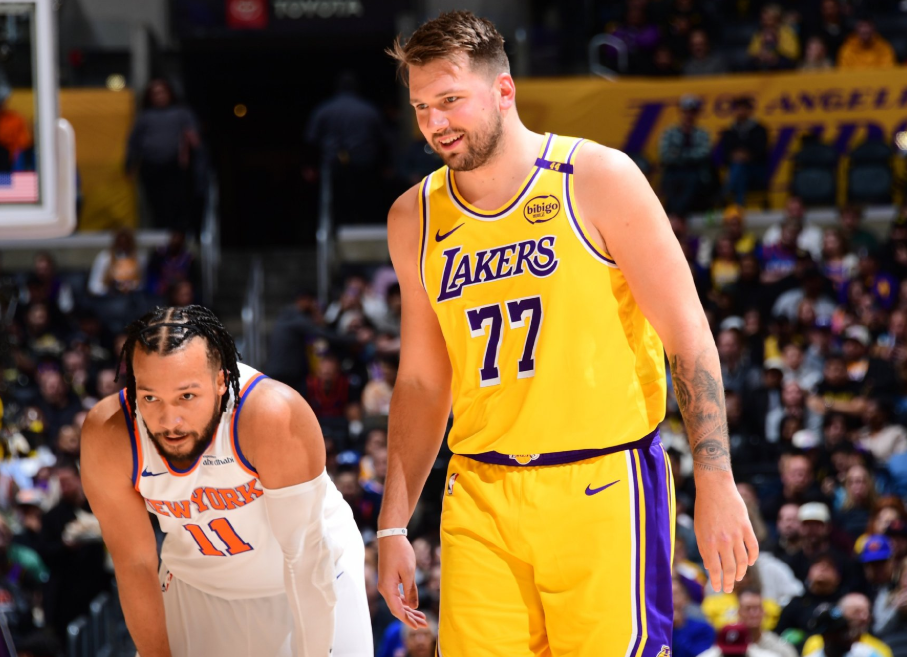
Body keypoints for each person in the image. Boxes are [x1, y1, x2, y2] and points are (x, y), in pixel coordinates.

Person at [377, 11, 758, 657]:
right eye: (421, 107)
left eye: (450, 100)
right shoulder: (412, 216)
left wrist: (715, 479)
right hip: (480, 494)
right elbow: (419, 380)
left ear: (503, 90)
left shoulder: (598, 178)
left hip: (603, 484)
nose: (435, 122)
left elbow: (687, 334)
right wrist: (392, 524)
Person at [81, 305, 373, 657]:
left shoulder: (271, 416)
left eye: (186, 396)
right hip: (197, 586)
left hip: (310, 574)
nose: (170, 420)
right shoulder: (110, 435)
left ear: (221, 381)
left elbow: (304, 558)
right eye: (150, 398)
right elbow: (135, 564)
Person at [126, 79, 203, 233]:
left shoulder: (182, 113)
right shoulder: (145, 117)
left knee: (178, 203)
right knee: (156, 205)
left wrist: (191, 145)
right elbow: (134, 142)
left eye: (162, 92)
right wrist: (129, 163)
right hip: (151, 167)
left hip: (175, 166)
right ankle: (160, 235)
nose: (159, 96)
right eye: (155, 94)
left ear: (170, 93)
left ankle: (179, 236)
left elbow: (195, 139)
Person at [658, 93, 713, 215]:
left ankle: (678, 215)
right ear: (681, 113)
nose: (688, 115)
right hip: (673, 170)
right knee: (669, 180)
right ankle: (677, 214)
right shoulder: (670, 133)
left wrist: (679, 154)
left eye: (692, 112)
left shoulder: (703, 133)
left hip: (695, 171)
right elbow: (665, 155)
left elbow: (704, 153)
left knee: (692, 180)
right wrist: (689, 156)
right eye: (686, 112)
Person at [718, 97, 768, 206]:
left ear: (750, 110)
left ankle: (726, 193)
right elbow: (726, 154)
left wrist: (746, 156)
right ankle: (739, 205)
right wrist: (736, 156)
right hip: (735, 168)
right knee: (740, 170)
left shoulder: (759, 130)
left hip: (756, 169)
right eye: (738, 108)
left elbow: (761, 151)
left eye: (743, 108)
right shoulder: (729, 131)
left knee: (740, 168)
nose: (741, 112)